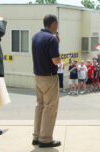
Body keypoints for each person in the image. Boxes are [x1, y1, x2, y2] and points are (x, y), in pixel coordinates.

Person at [32, 14, 61, 147]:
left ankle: (36, 136)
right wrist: (61, 61)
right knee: (50, 108)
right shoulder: (52, 39)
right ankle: (45, 139)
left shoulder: (35, 36)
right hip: (49, 78)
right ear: (54, 23)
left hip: (38, 76)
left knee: (40, 106)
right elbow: (55, 60)